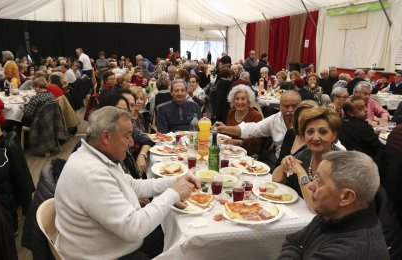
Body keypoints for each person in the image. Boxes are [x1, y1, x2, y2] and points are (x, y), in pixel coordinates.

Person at [54, 106, 200, 259]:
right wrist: (173, 193)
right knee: (183, 245)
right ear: (106, 137)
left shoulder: (96, 156)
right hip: (100, 254)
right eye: (127, 136)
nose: (131, 143)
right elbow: (134, 228)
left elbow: (132, 185)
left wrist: (175, 181)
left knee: (169, 233)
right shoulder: (92, 174)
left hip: (109, 241)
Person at [278, 151, 389, 259]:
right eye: (315, 178)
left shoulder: (350, 250)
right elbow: (294, 242)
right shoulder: (332, 215)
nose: (311, 185)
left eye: (320, 181)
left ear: (346, 197)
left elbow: (296, 245)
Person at [272, 107, 342, 210]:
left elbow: (316, 207)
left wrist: (300, 172)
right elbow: (276, 180)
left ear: (334, 136)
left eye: (322, 132)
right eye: (310, 132)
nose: (315, 137)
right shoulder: (306, 154)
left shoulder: (340, 163)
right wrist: (283, 166)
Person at [217, 90, 301, 159]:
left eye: (294, 106)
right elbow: (251, 128)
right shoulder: (273, 120)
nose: (290, 110)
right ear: (279, 106)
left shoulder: (307, 120)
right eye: (286, 106)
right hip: (280, 161)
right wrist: (225, 129)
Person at [222, 85, 262, 155]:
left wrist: (238, 142)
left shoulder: (256, 116)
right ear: (233, 101)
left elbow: (256, 142)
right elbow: (227, 135)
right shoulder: (231, 112)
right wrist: (221, 129)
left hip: (247, 154)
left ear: (249, 101)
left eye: (243, 99)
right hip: (229, 151)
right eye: (237, 99)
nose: (240, 102)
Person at [276, 100, 319, 167]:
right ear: (297, 119)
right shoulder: (291, 133)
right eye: (303, 118)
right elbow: (279, 163)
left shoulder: (316, 142)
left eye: (310, 119)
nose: (306, 122)